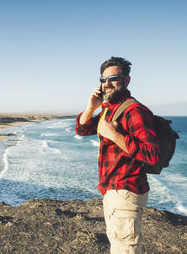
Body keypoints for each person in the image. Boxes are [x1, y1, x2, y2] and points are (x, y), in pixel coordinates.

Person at [75, 56, 160, 254]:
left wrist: (114, 135)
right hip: (112, 191)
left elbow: (152, 153)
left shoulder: (134, 111)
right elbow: (82, 129)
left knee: (125, 250)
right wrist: (91, 107)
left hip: (126, 191)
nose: (107, 84)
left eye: (113, 78)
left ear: (126, 80)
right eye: (103, 80)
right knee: (117, 246)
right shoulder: (109, 109)